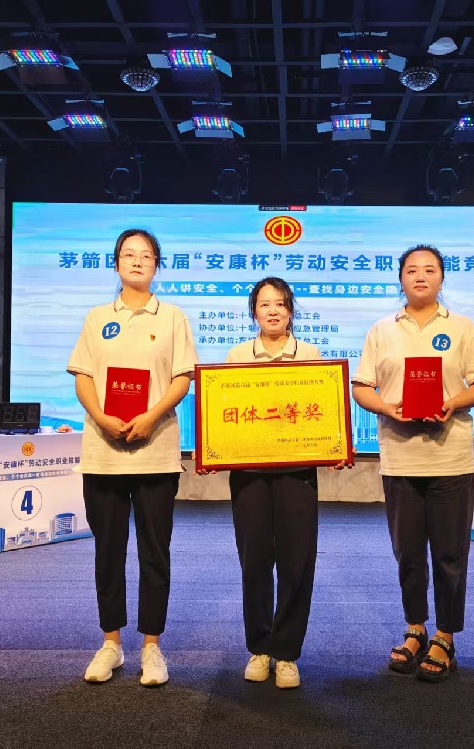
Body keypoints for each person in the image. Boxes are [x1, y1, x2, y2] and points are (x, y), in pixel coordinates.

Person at [351, 245, 474, 683]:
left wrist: (453, 403)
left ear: (441, 278)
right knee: (408, 554)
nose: (420, 276)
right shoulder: (382, 329)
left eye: (429, 270)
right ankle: (415, 629)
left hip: (450, 458)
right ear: (400, 278)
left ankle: (445, 636)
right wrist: (387, 407)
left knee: (450, 553)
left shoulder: (462, 327)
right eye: (412, 270)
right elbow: (362, 387)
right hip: (400, 459)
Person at [200, 277, 351, 689]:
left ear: (290, 311)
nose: (272, 311)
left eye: (280, 304)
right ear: (254, 311)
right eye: (264, 304)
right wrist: (213, 450)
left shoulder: (310, 354)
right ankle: (259, 647)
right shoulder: (237, 355)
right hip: (249, 476)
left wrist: (335, 446)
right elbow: (225, 411)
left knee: (296, 561)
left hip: (296, 474)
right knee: (254, 561)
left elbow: (323, 411)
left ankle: (286, 652)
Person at [67, 228, 198, 687]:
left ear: (157, 265)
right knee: (108, 552)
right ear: (116, 263)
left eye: (145, 255)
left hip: (155, 451)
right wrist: (102, 417)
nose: (137, 261)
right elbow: (83, 376)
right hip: (103, 452)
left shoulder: (174, 317)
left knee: (154, 552)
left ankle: (151, 646)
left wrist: (151, 416)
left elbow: (182, 378)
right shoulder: (97, 317)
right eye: (128, 254)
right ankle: (111, 643)